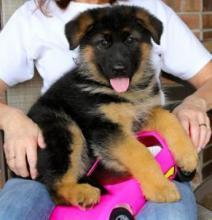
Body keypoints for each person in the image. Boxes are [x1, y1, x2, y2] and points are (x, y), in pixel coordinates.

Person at [0, 0, 211, 219]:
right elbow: (111, 137)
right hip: (53, 164)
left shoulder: (147, 8)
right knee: (11, 212)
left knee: (171, 214)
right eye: (104, 43)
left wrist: (195, 103)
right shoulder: (32, 17)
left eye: (130, 40)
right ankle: (65, 188)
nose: (119, 62)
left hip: (156, 167)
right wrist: (10, 118)